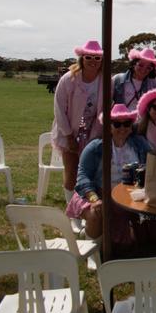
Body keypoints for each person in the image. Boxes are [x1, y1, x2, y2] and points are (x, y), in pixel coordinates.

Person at [66, 104, 150, 241]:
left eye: (127, 124)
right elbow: (82, 176)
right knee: (96, 213)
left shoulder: (139, 144)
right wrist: (94, 199)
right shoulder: (96, 147)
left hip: (127, 196)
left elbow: (150, 165)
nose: (122, 128)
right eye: (117, 124)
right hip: (95, 193)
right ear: (109, 126)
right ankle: (92, 251)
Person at [51, 40, 103, 224]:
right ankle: (73, 216)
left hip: (92, 133)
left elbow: (102, 111)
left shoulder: (104, 80)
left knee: (88, 174)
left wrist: (95, 137)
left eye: (97, 57)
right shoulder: (69, 78)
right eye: (89, 57)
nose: (93, 61)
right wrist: (68, 135)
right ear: (82, 58)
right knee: (71, 172)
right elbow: (59, 108)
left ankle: (86, 210)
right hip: (70, 133)